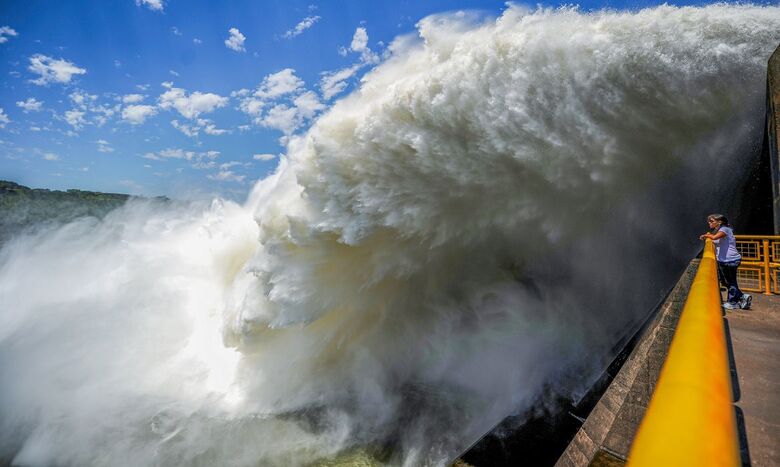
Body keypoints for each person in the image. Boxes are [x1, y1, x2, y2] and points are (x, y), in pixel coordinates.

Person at [699, 214, 751, 310]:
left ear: (719, 222)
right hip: (725, 260)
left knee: (731, 282)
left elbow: (714, 238)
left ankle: (733, 302)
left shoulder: (725, 229)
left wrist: (706, 235)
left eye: (712, 221)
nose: (709, 223)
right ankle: (742, 297)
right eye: (709, 221)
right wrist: (709, 237)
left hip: (731, 260)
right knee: (726, 282)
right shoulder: (720, 230)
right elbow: (717, 241)